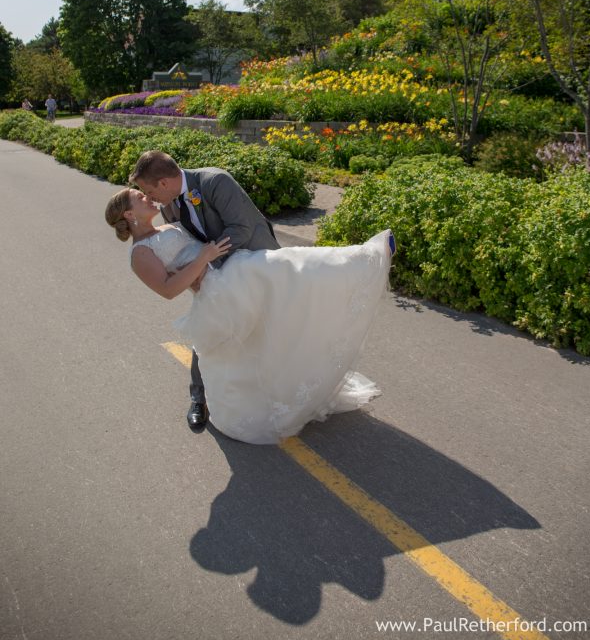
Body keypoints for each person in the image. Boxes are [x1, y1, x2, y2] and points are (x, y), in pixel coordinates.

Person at [105, 186, 394, 446]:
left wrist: (205, 258)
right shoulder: (140, 254)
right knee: (282, 278)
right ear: (129, 214)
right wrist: (202, 260)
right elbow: (168, 289)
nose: (147, 196)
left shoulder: (169, 222)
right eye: (140, 197)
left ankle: (364, 261)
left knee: (289, 271)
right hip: (219, 291)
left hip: (232, 268)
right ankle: (364, 260)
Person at [128, 150, 281, 432]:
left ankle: (273, 390)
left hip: (257, 263)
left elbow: (241, 228)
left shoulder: (214, 181)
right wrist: (194, 274)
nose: (151, 198)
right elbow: (186, 245)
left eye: (149, 191)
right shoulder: (169, 205)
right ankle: (199, 399)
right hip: (218, 277)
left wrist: (209, 266)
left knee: (267, 327)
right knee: (208, 331)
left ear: (164, 183)